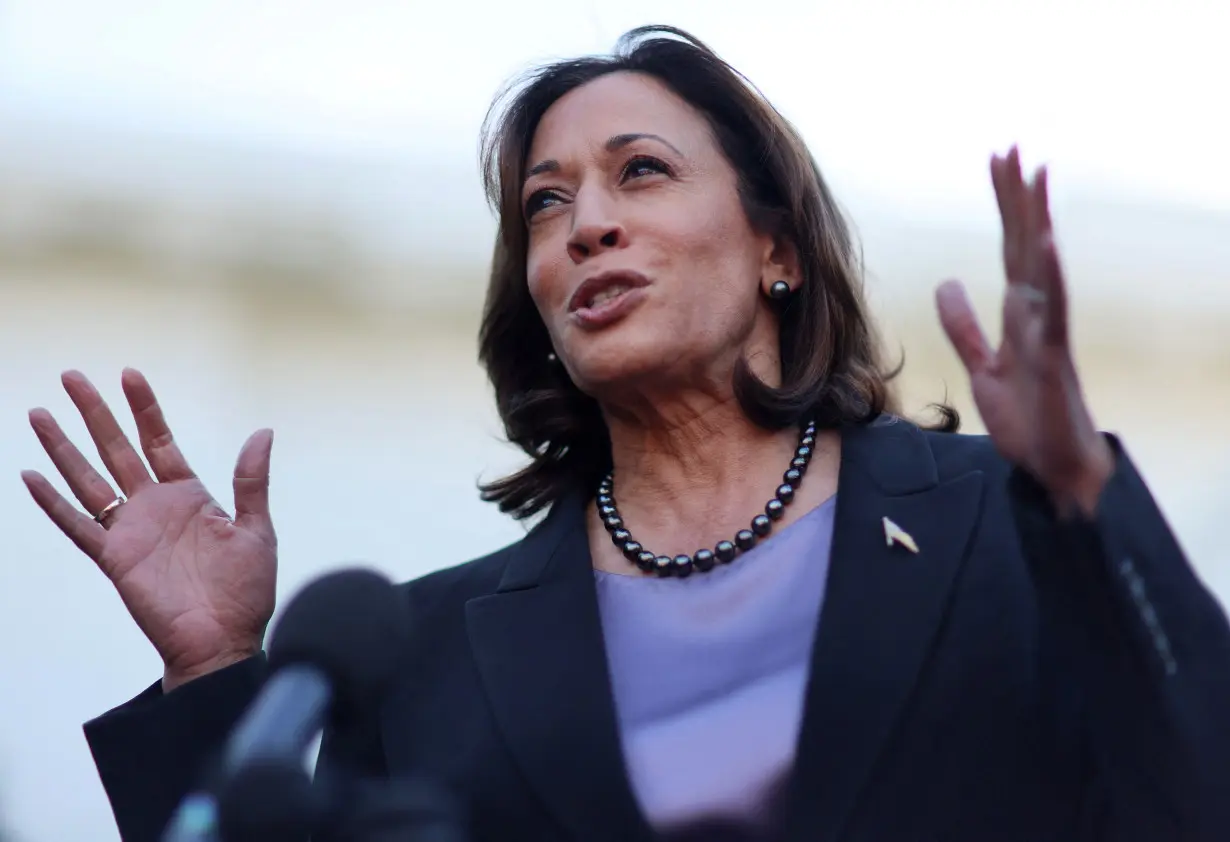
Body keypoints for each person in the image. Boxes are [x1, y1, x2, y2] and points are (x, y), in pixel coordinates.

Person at [21, 25, 1230, 842]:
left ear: (779, 249)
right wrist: (209, 675)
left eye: (640, 172)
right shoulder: (424, 647)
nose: (586, 222)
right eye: (546, 205)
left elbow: (1196, 781)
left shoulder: (991, 522)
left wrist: (1078, 485)